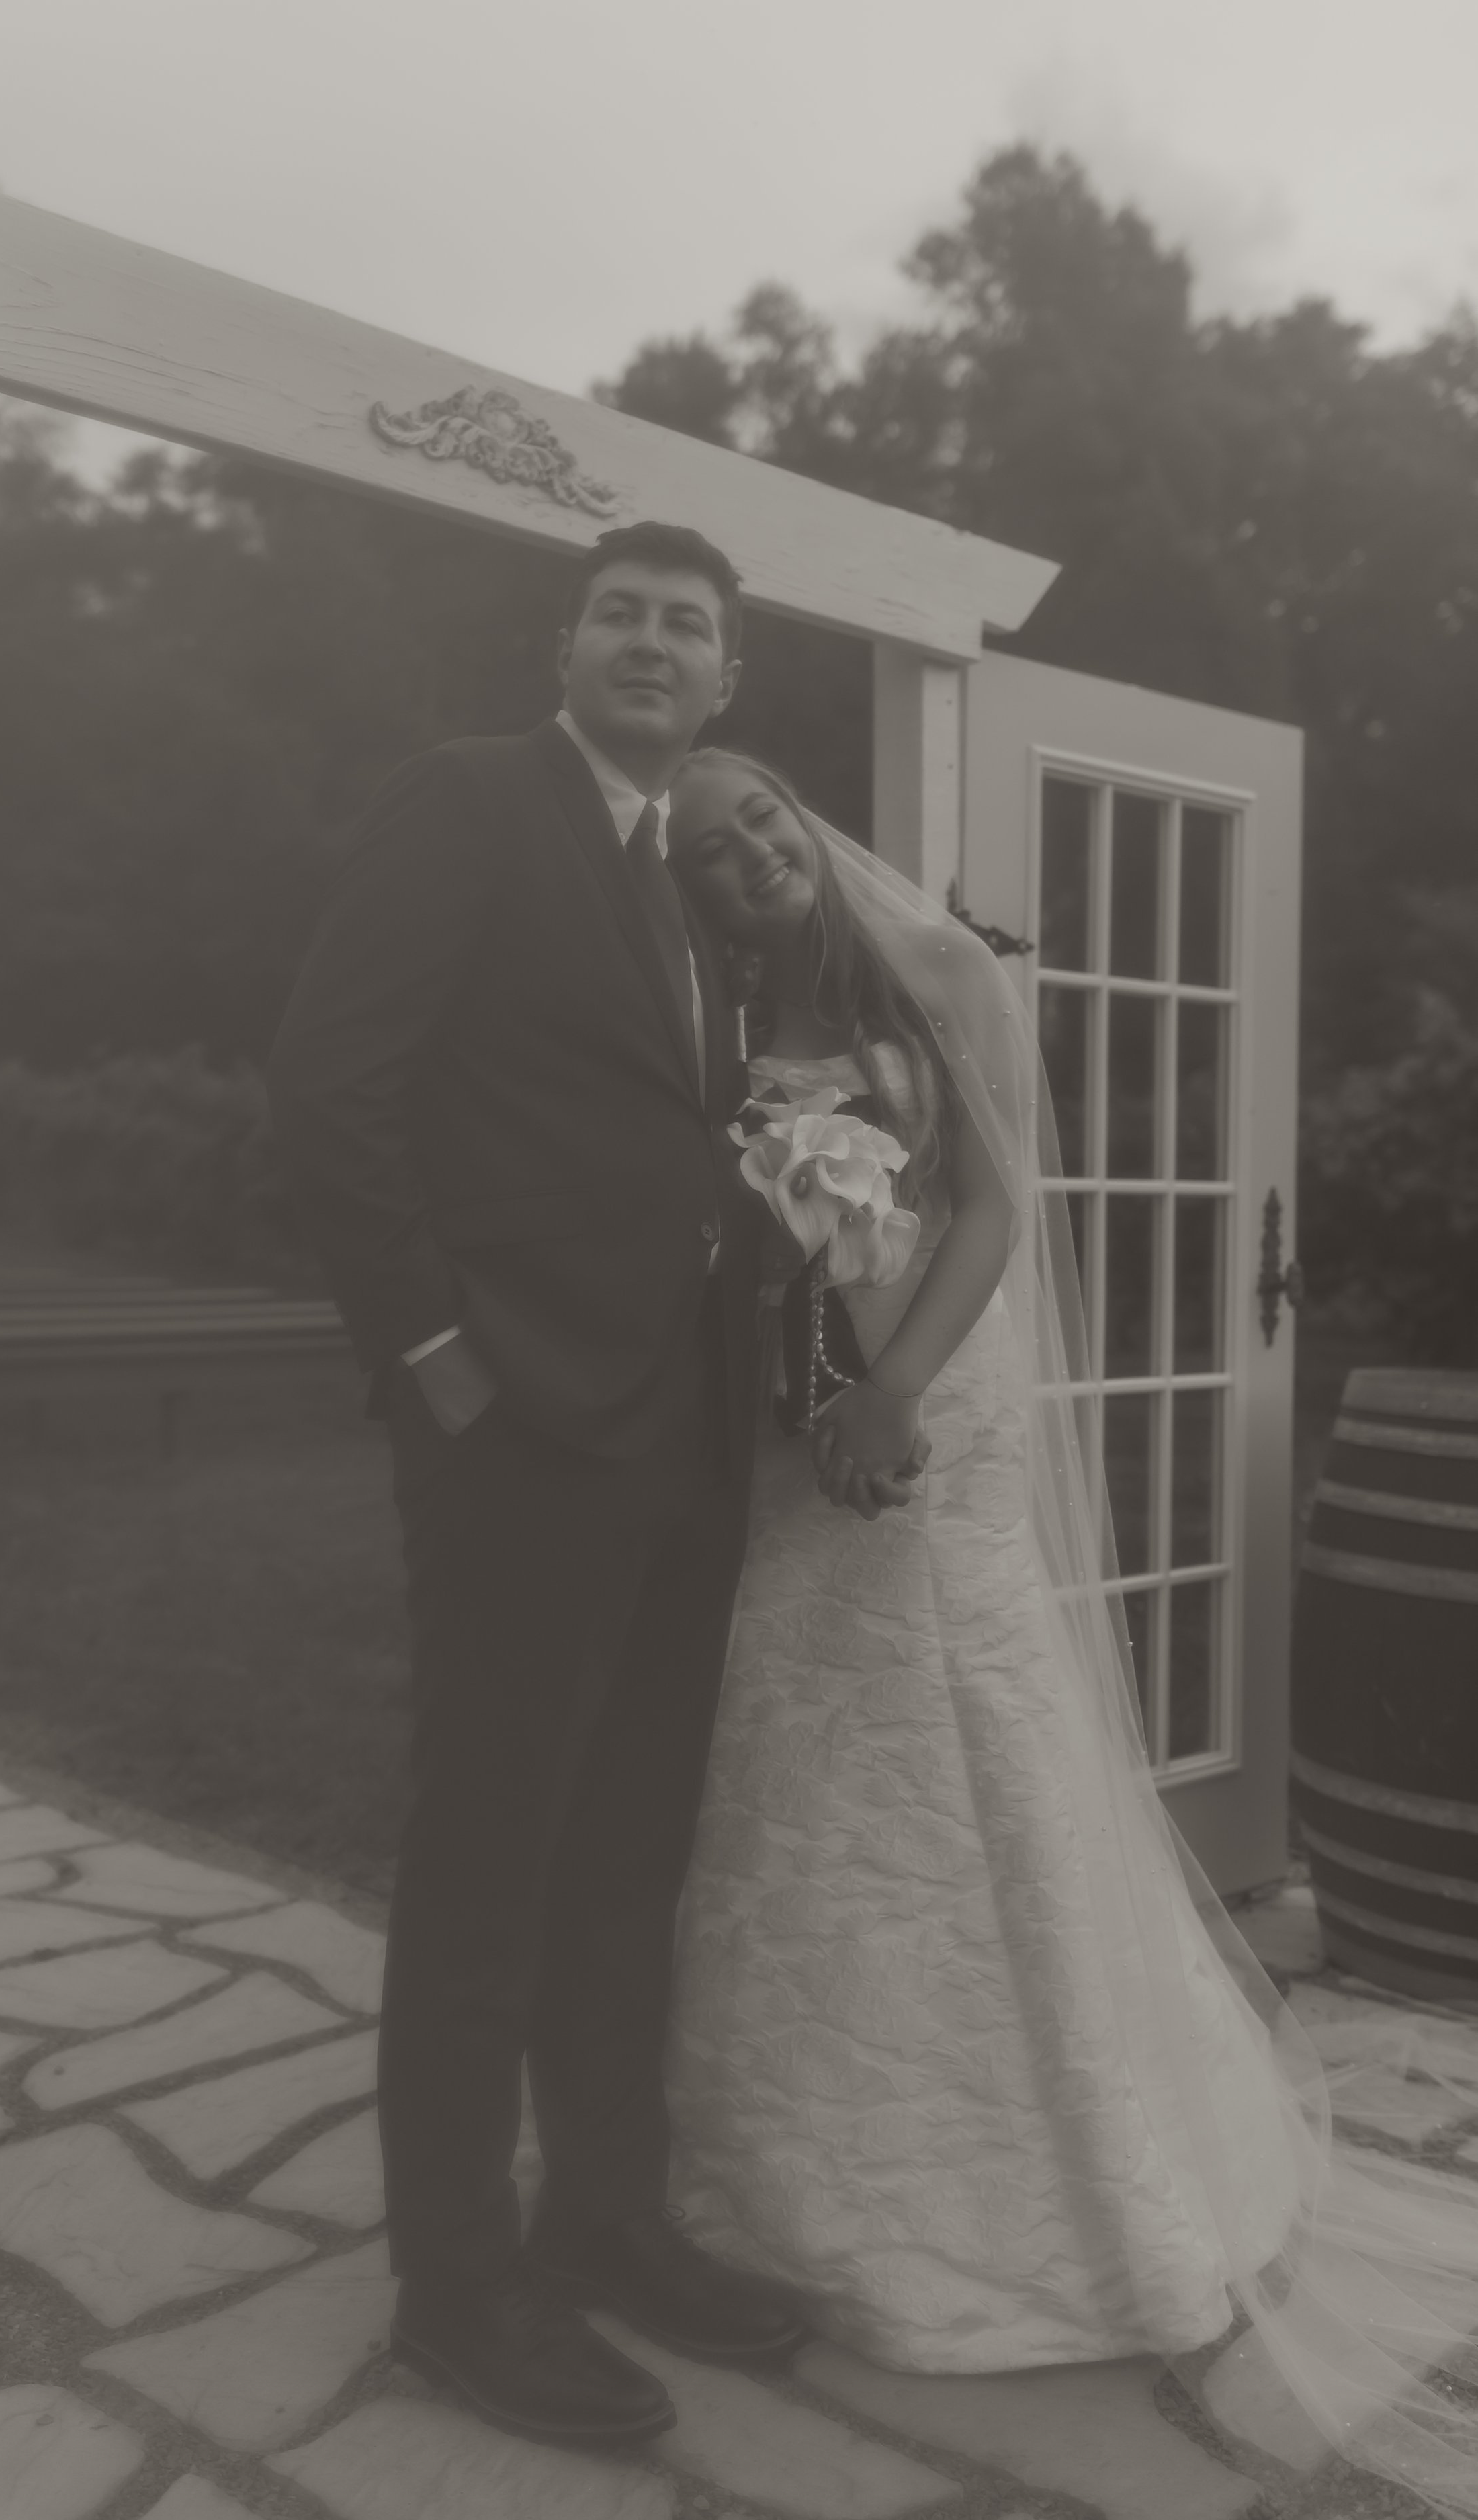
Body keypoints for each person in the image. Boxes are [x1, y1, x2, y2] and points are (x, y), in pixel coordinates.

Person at [661, 748, 1478, 2514]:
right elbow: (836, 1231)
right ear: (697, 899)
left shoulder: (934, 970)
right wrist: (816, 1379)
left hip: (943, 1404)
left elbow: (999, 1208)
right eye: (712, 859)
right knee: (815, 1761)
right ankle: (805, 2184)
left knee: (984, 1749)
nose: (747, 863)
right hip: (829, 1430)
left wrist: (888, 1391)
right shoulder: (745, 1045)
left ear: (804, 826)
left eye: (762, 827)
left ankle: (1092, 2192)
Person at [266, 526, 807, 2454]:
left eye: (690, 627)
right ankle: (454, 2285)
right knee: (492, 1858)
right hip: (514, 1434)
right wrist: (435, 1362)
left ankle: (605, 2217)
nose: (653, 643)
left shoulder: (697, 882)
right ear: (565, 644)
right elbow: (333, 1083)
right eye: (625, 614)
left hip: (679, 1439)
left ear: (726, 681)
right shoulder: (473, 805)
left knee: (628, 1858)